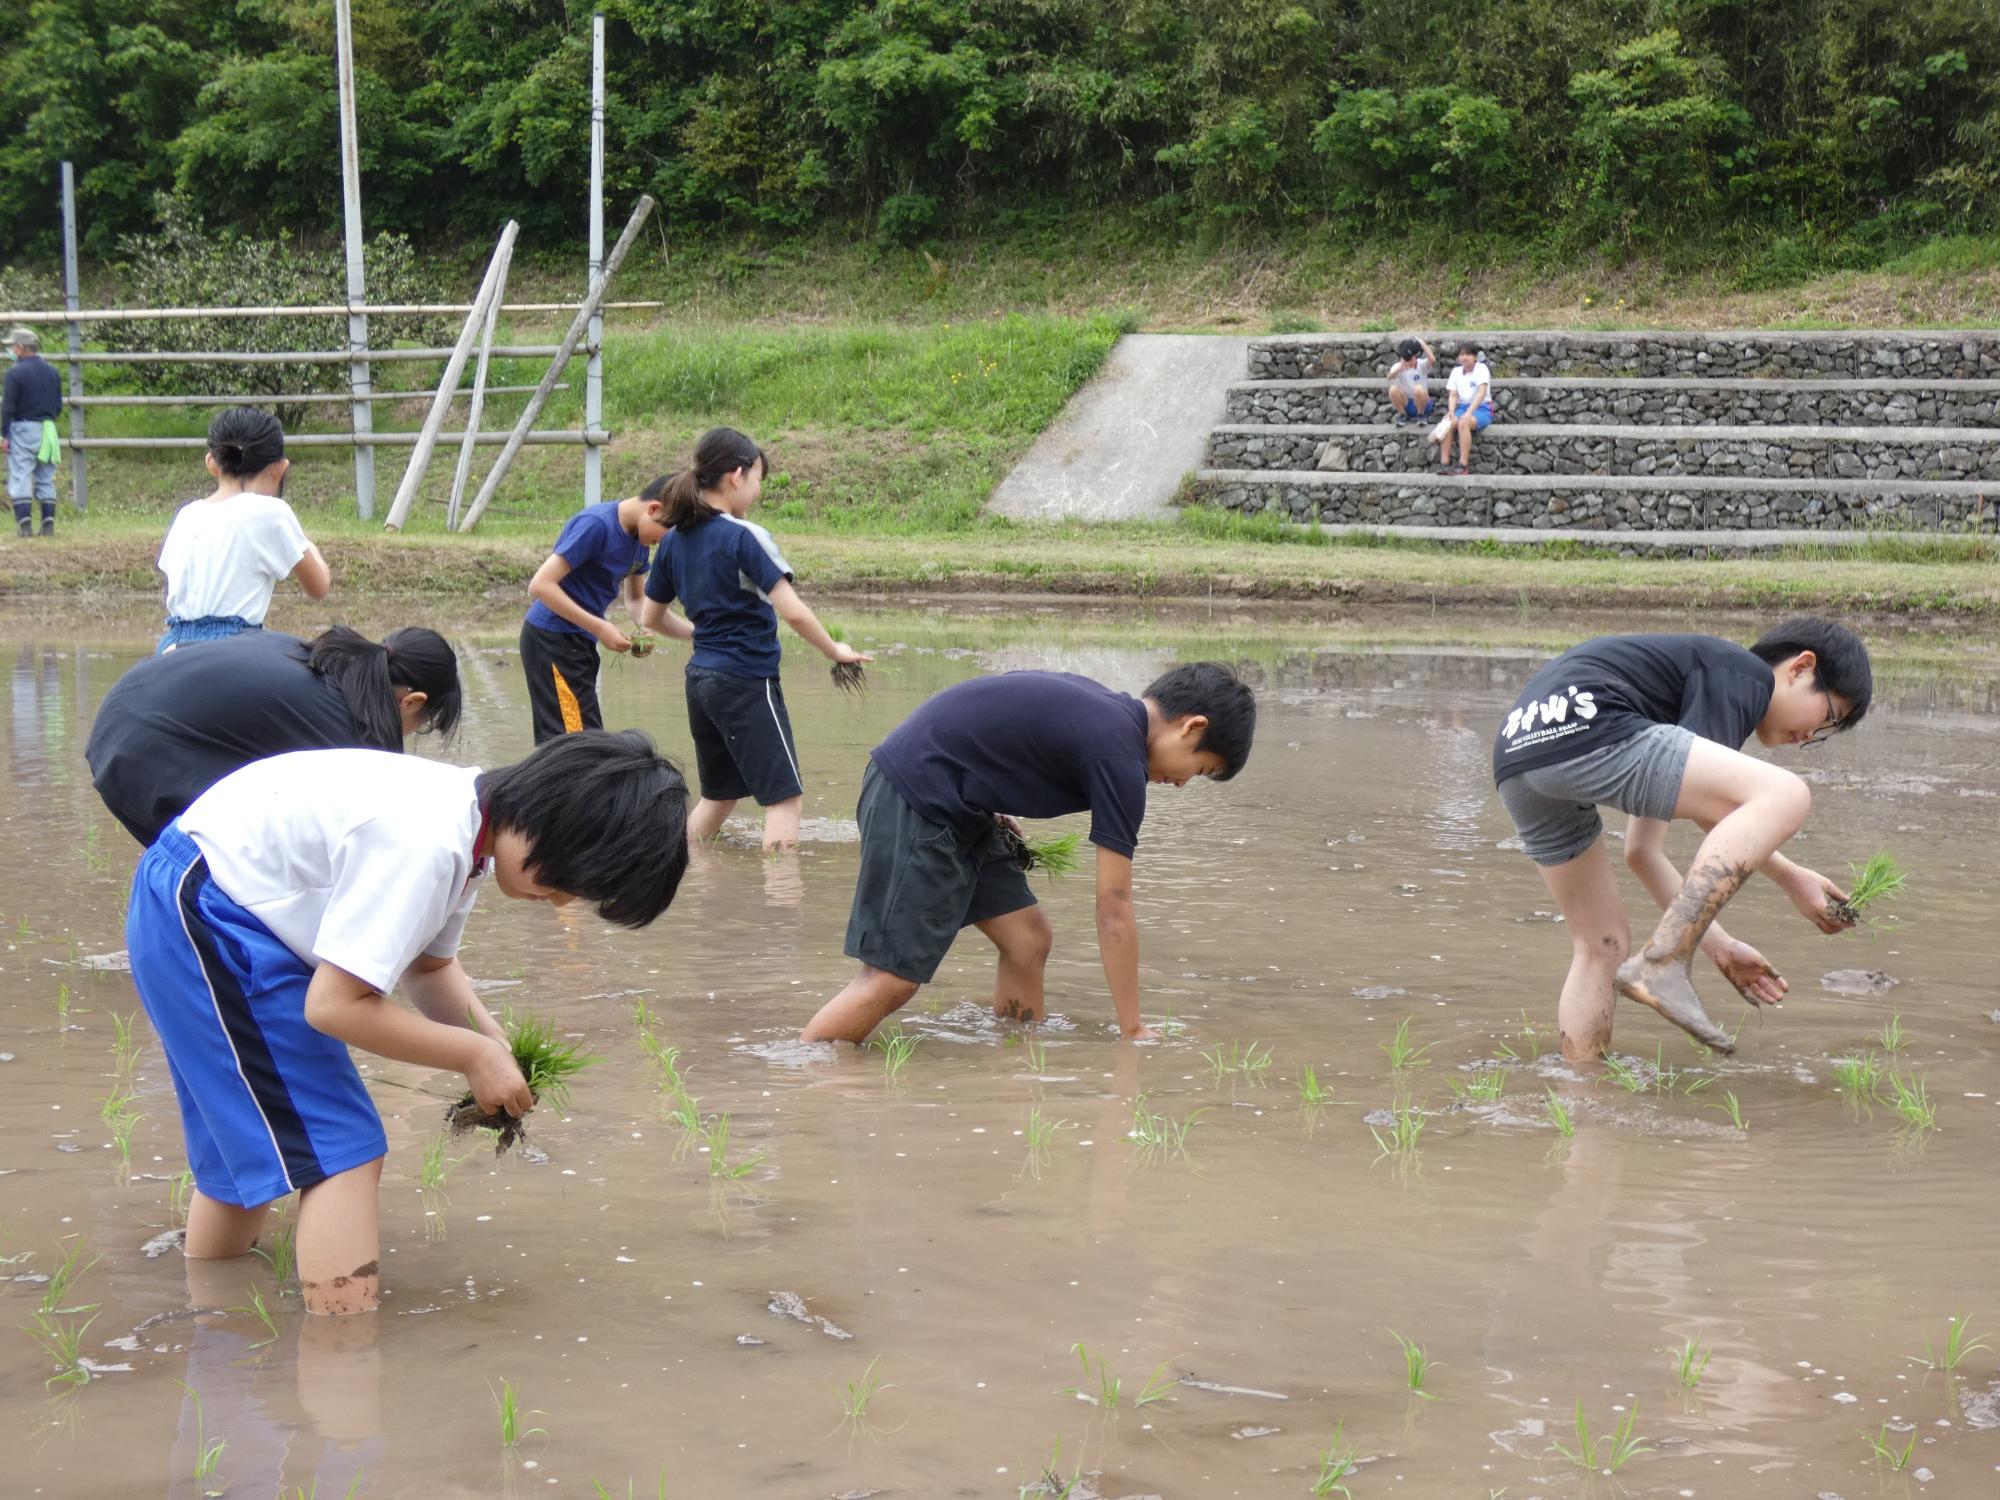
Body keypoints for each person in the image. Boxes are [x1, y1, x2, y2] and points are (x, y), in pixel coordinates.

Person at [122, 729, 691, 1316]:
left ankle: (211, 1310)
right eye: (571, 880)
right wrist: (473, 1057)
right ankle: (342, 1343)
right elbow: (334, 1006)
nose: (565, 901)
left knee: (244, 1141)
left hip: (198, 894)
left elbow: (430, 969)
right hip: (211, 915)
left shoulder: (469, 826)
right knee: (344, 1147)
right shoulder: (429, 843)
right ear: (556, 823)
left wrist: (494, 1046)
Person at [801, 662, 1257, 1045]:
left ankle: (1015, 1055)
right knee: (892, 978)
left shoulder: (1109, 716)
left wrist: (988, 794)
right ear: (1192, 726)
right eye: (1199, 769)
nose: (1181, 783)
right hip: (920, 798)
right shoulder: (1120, 757)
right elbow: (1113, 906)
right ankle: (803, 1071)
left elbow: (998, 727)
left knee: (1027, 938)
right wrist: (1133, 1028)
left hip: (959, 803)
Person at [1492, 618, 1872, 1061]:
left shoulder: (1678, 693)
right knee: (1788, 793)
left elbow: (1643, 852)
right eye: (1828, 716)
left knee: (1601, 945)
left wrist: (1720, 946)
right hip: (1589, 726)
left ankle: (1583, 1090)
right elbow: (1719, 815)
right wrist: (1791, 878)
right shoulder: (1743, 676)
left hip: (1519, 755)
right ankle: (1665, 961)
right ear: (1801, 668)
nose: (1810, 736)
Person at [638, 427, 870, 853]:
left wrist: (701, 634)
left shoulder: (673, 541)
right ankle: (781, 895)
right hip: (745, 679)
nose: (758, 490)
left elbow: (649, 618)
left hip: (700, 680)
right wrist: (834, 650)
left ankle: (676, 868)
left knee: (718, 798)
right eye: (759, 479)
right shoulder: (744, 536)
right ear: (736, 476)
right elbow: (793, 611)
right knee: (784, 801)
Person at [87, 624, 463, 847]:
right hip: (138, 749)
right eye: (423, 725)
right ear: (412, 702)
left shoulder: (318, 658)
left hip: (125, 708)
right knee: (229, 874)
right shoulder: (343, 735)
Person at [158, 408, 331, 652]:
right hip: (235, 649)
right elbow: (319, 587)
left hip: (173, 644)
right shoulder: (272, 512)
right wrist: (306, 544)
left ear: (211, 463)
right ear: (280, 468)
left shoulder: (186, 515)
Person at [520, 479, 670, 743]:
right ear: (654, 509)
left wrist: (643, 628)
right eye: (664, 534)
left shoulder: (640, 541)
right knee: (576, 743)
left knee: (583, 738)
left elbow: (636, 600)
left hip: (580, 643)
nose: (659, 543)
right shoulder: (596, 525)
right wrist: (600, 627)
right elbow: (541, 585)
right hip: (552, 639)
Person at [2, 326, 63, 537]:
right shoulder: (52, 371)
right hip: (48, 429)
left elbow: (8, 406)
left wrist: (4, 434)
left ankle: (24, 524)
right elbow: (58, 406)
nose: (11, 350)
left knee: (21, 474)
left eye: (12, 346)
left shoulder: (15, 373)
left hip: (23, 427)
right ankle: (48, 523)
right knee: (46, 475)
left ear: (20, 348)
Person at [1435, 346, 1494, 476]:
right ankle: (1444, 464)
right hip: (1462, 407)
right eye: (1461, 354)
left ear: (1475, 357)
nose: (1464, 357)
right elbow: (1453, 394)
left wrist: (1469, 412)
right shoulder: (1456, 371)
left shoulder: (1482, 369)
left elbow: (1482, 392)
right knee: (1447, 423)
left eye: (1467, 354)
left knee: (1463, 422)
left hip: (1482, 408)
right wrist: (1451, 411)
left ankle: (1463, 465)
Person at [1388, 336, 1434, 423]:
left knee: (1418, 389)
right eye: (1407, 361)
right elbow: (1389, 377)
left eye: (1411, 360)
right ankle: (1403, 415)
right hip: (1407, 403)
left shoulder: (1421, 364)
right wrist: (1399, 369)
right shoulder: (1398, 366)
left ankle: (1421, 415)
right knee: (1393, 389)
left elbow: (1432, 359)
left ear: (1414, 357)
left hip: (1423, 404)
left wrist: (1421, 343)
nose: (1410, 363)